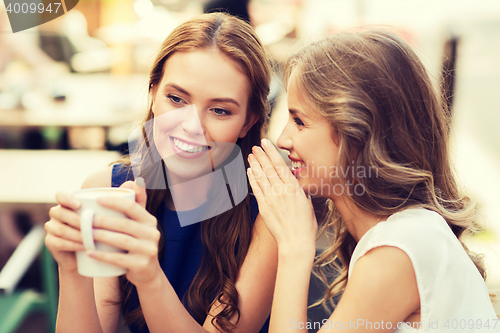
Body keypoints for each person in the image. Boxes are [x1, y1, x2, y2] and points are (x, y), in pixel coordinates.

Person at [247, 29, 498, 332]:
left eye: (299, 121)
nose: (283, 139)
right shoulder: (406, 234)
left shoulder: (399, 249)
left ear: (357, 134)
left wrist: (294, 246)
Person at [44, 13, 277, 333]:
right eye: (176, 98)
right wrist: (72, 271)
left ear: (248, 122)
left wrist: (148, 275)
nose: (191, 127)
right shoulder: (110, 191)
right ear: (153, 94)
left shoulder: (266, 214)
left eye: (220, 110)